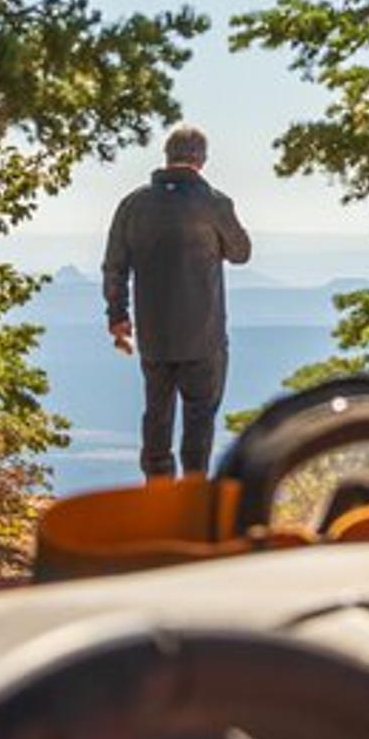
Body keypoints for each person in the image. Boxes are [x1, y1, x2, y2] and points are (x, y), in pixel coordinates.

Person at [102, 124, 252, 478]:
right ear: (201, 160)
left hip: (154, 334)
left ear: (167, 157)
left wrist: (118, 316)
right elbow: (241, 252)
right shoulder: (214, 203)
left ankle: (158, 491)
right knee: (199, 416)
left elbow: (114, 266)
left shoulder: (133, 204)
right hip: (204, 334)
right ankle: (193, 493)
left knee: (157, 413)